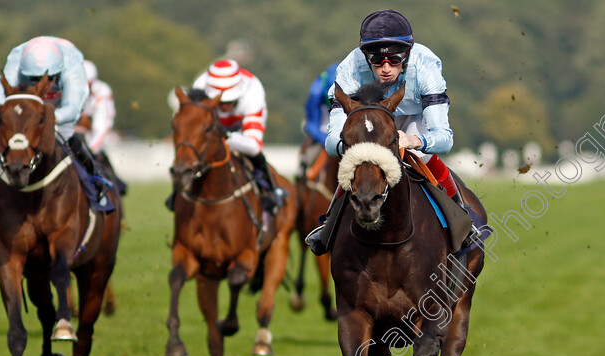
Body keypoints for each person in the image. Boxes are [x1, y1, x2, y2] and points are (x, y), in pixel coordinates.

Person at [305, 9, 478, 255]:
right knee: (355, 164)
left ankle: (460, 216)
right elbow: (332, 141)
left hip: (415, 118)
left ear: (407, 55)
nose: (386, 68)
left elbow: (444, 138)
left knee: (422, 157)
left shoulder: (426, 66)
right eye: (377, 60)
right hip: (372, 121)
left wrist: (414, 139)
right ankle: (329, 225)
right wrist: (353, 148)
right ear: (366, 57)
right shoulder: (349, 68)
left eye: (394, 59)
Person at [0, 36, 109, 214]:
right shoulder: (15, 61)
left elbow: (73, 108)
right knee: (12, 140)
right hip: (28, 108)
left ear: (58, 72)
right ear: (24, 71)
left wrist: (45, 119)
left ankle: (95, 180)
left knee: (67, 138)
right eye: (32, 79)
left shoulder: (72, 65)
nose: (40, 85)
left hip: (61, 104)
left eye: (46, 78)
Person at [167, 59, 286, 213]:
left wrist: (227, 137)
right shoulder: (200, 86)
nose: (224, 106)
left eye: (229, 100)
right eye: (220, 102)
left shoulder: (253, 94)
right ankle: (177, 194)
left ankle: (270, 190)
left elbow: (253, 145)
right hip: (211, 128)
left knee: (255, 155)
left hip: (240, 129)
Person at [77, 59, 126, 195]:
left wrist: (90, 152)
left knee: (112, 182)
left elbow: (102, 126)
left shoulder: (102, 91)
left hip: (90, 143)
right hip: (68, 139)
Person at [298, 62, 338, 180]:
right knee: (309, 157)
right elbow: (311, 125)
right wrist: (328, 140)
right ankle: (303, 178)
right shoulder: (316, 91)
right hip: (323, 130)